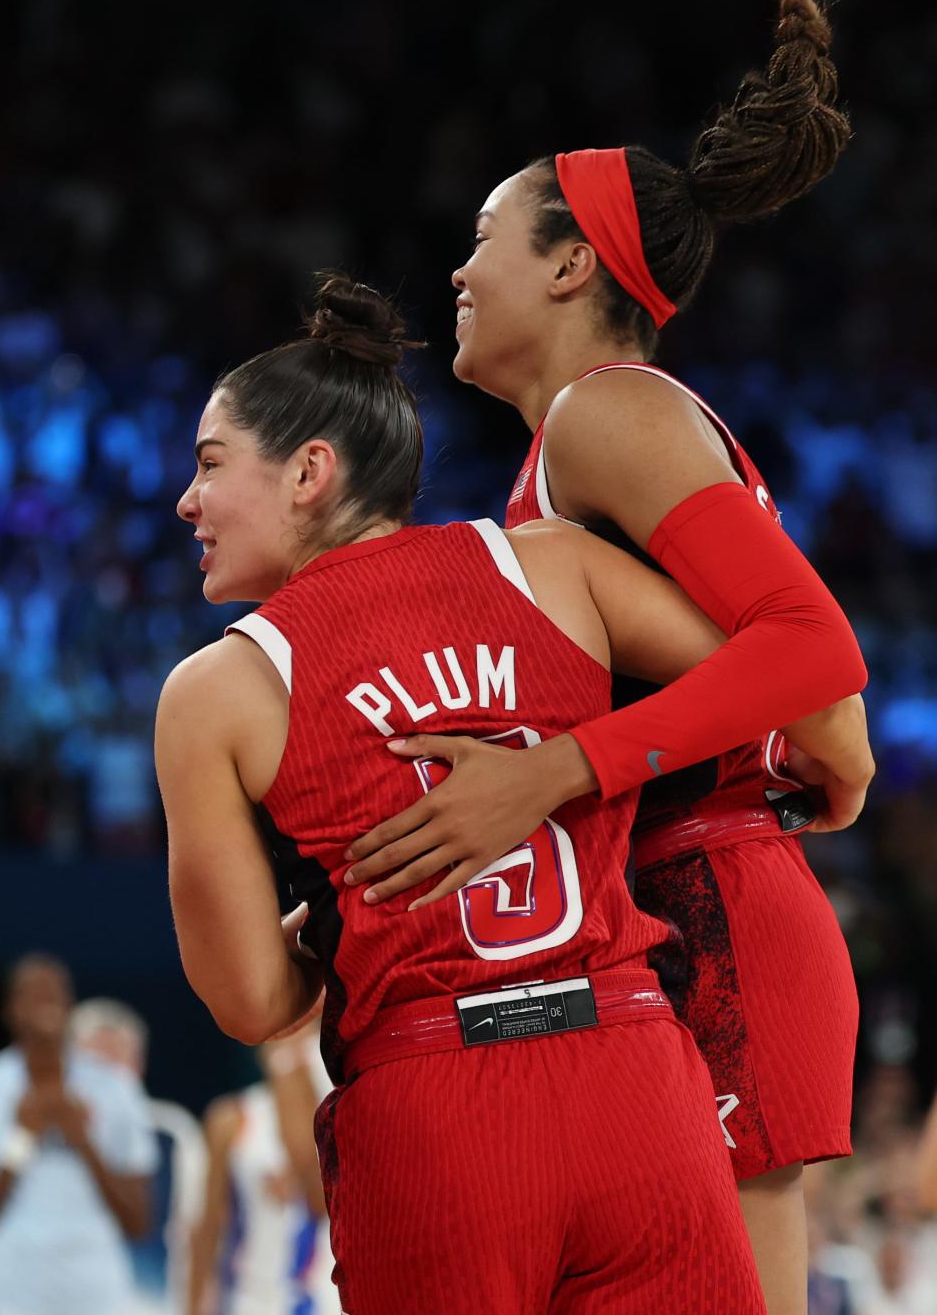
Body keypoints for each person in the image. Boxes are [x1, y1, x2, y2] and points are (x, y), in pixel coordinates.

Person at [339, 0, 873, 1314]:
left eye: (485, 240)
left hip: (712, 895)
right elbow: (816, 709)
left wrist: (555, 771)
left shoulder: (604, 416)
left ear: (573, 265)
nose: (457, 273)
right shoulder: (583, 441)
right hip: (676, 896)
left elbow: (817, 651)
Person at [154, 273, 780, 1313]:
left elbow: (249, 1002)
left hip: (437, 1109)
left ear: (311, 471)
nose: (187, 501)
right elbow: (769, 683)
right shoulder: (554, 564)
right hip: (634, 1079)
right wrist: (578, 765)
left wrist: (328, 935)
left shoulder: (219, 688)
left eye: (210, 465)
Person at [0, 954, 157, 1315]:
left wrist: (83, 1141)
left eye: (57, 994)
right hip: (9, 1296)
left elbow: (138, 1222)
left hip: (97, 1296)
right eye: (33, 994)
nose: (47, 1004)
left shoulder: (116, 1089)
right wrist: (21, 1139)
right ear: (10, 1009)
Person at [186, 1021, 339, 1315]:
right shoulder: (234, 1118)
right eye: (282, 1032)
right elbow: (208, 1226)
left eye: (301, 1031)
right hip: (248, 1298)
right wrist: (193, 1306)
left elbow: (320, 1202)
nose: (289, 1042)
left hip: (319, 1296)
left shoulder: (339, 1117)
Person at [71, 996, 207, 1314]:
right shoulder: (46, 1136)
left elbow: (198, 1230)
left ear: (139, 1065)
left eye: (117, 1060)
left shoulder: (172, 1133)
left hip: (150, 1303)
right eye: (95, 1062)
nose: (107, 1076)